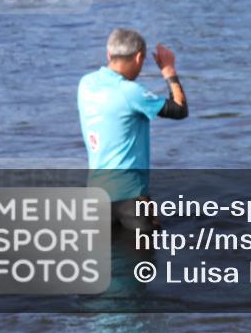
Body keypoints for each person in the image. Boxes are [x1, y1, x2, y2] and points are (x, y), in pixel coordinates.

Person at [77, 29, 189, 231]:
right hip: (131, 198)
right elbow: (180, 109)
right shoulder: (131, 92)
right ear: (139, 57)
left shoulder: (85, 84)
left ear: (108, 54)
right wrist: (169, 71)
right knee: (144, 261)